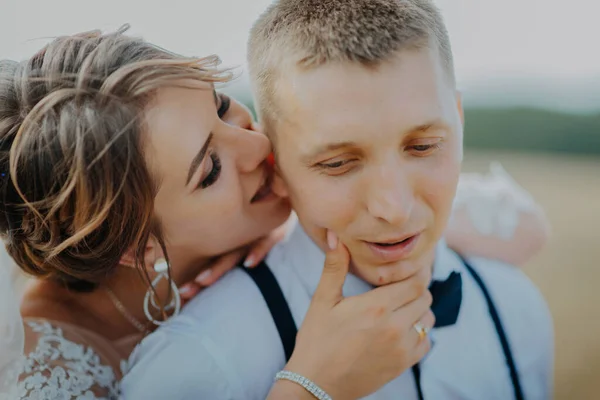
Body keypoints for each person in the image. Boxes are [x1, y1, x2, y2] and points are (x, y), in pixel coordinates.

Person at [0, 24, 547, 400]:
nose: (257, 147)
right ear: (135, 246)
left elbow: (524, 227)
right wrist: (312, 383)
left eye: (220, 107)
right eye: (210, 169)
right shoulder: (45, 373)